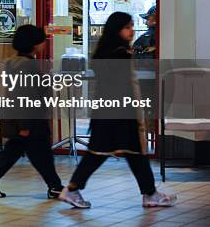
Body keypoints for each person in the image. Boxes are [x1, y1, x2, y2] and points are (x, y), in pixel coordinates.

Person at [60, 12, 176, 208]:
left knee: (126, 153)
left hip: (109, 111)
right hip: (119, 112)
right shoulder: (119, 53)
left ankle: (149, 193)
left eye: (131, 26)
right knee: (109, 152)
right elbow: (122, 85)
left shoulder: (106, 51)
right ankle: (72, 189)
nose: (131, 31)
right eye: (127, 27)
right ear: (117, 29)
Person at [0, 25, 64, 199]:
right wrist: (25, 124)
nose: (44, 45)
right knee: (40, 153)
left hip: (23, 118)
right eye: (42, 41)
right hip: (30, 119)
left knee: (18, 151)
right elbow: (25, 96)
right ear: (34, 44)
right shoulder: (27, 66)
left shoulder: (16, 62)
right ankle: (54, 186)